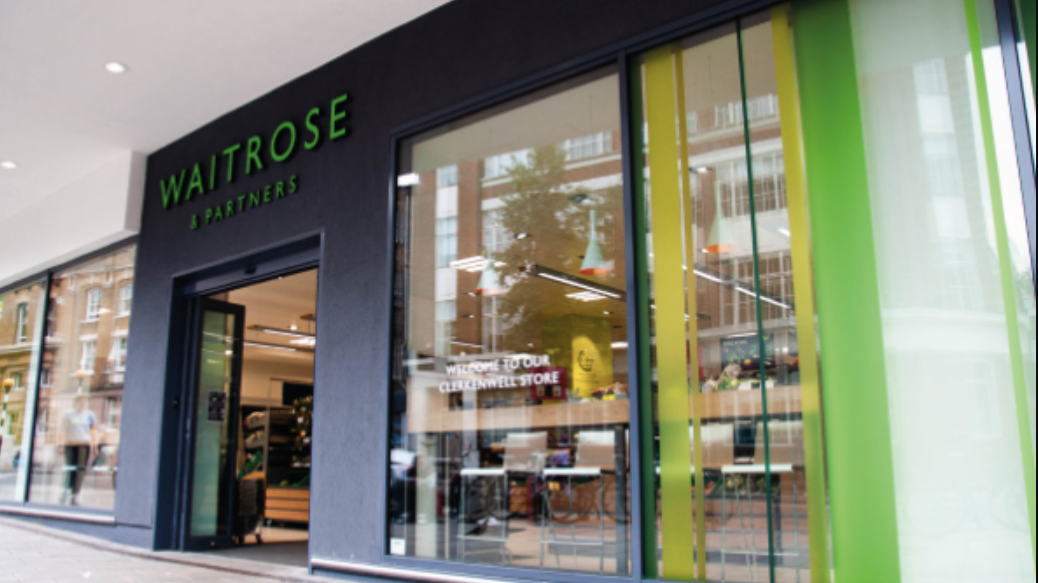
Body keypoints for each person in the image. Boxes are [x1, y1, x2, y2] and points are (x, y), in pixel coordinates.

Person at [58, 396, 97, 506]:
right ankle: (65, 492)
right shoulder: (69, 414)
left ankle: (75, 495)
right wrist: (61, 444)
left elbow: (93, 431)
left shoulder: (90, 415)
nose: (83, 404)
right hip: (70, 444)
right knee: (70, 468)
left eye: (85, 402)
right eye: (81, 402)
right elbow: (63, 429)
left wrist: (95, 446)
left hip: (83, 444)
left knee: (80, 470)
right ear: (77, 403)